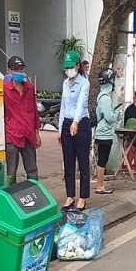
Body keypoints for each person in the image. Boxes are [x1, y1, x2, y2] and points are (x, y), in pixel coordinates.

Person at [58, 50, 91, 211]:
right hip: (66, 124)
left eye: (72, 66)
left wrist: (76, 122)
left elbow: (81, 103)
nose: (69, 70)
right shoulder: (65, 83)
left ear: (78, 66)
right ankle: (70, 196)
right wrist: (60, 130)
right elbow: (63, 107)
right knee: (68, 162)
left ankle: (83, 197)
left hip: (82, 124)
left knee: (83, 162)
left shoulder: (84, 83)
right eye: (67, 67)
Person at [2, 55, 41, 183]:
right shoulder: (4, 90)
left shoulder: (29, 88)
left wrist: (36, 133)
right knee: (11, 171)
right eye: (16, 69)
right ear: (9, 71)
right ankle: (10, 196)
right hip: (12, 134)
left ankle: (35, 192)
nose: (19, 72)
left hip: (28, 133)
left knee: (32, 169)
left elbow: (34, 110)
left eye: (21, 69)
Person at [93, 67, 121, 195]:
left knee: (102, 160)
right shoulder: (105, 98)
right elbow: (109, 118)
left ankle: (101, 184)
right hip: (104, 133)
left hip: (103, 132)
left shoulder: (102, 96)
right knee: (102, 160)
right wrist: (117, 114)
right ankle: (100, 186)